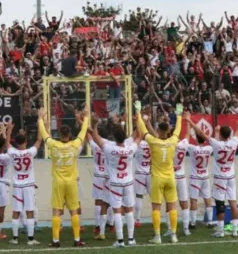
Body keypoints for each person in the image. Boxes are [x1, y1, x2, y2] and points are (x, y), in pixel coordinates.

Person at [37, 106, 89, 247]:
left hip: (58, 182)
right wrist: (86, 117)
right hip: (72, 182)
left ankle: (55, 240)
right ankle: (77, 239)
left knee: (56, 210)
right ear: (69, 133)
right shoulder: (75, 144)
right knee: (74, 211)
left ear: (59, 133)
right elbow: (83, 132)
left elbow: (43, 134)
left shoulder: (54, 145)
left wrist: (40, 118)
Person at [187, 112, 238, 238]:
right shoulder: (234, 142)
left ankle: (220, 231)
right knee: (233, 203)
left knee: (220, 204)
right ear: (229, 135)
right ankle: (234, 230)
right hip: (231, 176)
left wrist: (190, 121)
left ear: (221, 135)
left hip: (220, 178)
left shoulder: (216, 144)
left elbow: (202, 134)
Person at [135, 101, 183, 244]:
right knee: (172, 206)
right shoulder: (173, 141)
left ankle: (157, 236)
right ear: (168, 130)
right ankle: (173, 235)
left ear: (158, 130)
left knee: (156, 207)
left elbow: (143, 129)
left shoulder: (153, 141)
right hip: (170, 178)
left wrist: (138, 113)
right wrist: (179, 115)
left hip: (156, 178)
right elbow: (178, 130)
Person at [91, 119, 139, 247]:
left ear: (114, 138)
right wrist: (140, 119)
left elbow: (96, 138)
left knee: (117, 210)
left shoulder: (109, 149)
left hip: (115, 183)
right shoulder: (130, 149)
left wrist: (94, 124)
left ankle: (120, 241)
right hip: (128, 182)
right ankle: (131, 239)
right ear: (125, 138)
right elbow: (138, 135)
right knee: (129, 210)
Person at [6, 124, 42, 245]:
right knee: (30, 210)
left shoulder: (12, 152)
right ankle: (30, 239)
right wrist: (40, 123)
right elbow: (39, 140)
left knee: (16, 211)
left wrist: (9, 130)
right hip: (28, 185)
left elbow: (7, 143)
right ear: (26, 142)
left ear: (15, 142)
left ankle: (15, 238)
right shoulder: (30, 152)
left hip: (17, 186)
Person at [182, 119, 214, 229]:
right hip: (205, 177)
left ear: (196, 138)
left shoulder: (193, 148)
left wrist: (187, 123)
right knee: (207, 198)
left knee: (194, 200)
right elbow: (211, 140)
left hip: (195, 177)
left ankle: (193, 223)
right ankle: (210, 221)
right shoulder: (209, 148)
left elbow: (184, 142)